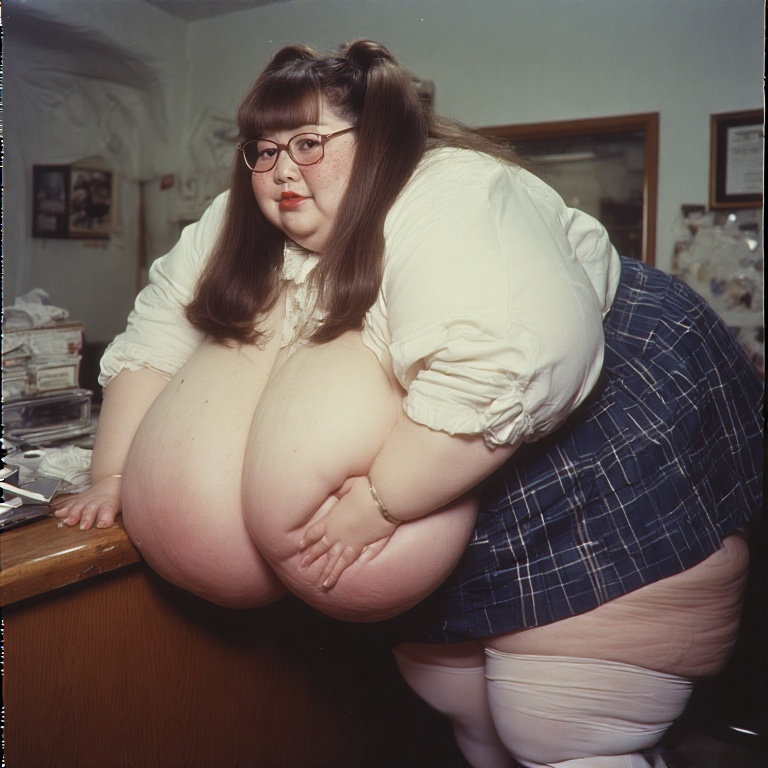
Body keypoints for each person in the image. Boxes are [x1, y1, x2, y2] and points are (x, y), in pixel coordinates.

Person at [54, 40, 763, 768]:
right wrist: (113, 472)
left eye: (308, 142)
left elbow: (499, 366)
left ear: (378, 136)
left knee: (558, 725)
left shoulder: (451, 193)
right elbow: (158, 335)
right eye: (263, 150)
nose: (281, 169)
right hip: (440, 461)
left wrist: (380, 503)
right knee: (464, 705)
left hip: (577, 433)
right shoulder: (246, 215)